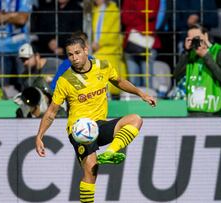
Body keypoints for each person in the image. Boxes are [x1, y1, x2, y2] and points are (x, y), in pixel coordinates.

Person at [35, 37, 156, 203]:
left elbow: (119, 81)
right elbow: (51, 112)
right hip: (79, 130)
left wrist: (141, 94)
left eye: (77, 53)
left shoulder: (103, 66)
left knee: (135, 119)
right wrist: (39, 136)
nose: (74, 57)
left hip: (98, 125)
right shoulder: (65, 81)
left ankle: (111, 152)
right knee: (91, 171)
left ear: (86, 50)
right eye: (70, 55)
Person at [174, 24, 221, 116]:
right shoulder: (189, 55)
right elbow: (176, 75)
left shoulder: (219, 51)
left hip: (212, 108)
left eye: (196, 38)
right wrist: (186, 52)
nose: (194, 42)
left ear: (206, 36)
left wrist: (206, 56)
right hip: (193, 108)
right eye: (190, 39)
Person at [0, 0, 33, 93]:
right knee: (0, 83)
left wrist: (2, 16)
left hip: (21, 47)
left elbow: (22, 19)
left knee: (25, 82)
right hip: (0, 47)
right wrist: (12, 15)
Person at [91, 0, 127, 99]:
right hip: (98, 49)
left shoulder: (112, 10)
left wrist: (99, 43)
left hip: (109, 50)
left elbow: (113, 33)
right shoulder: (94, 10)